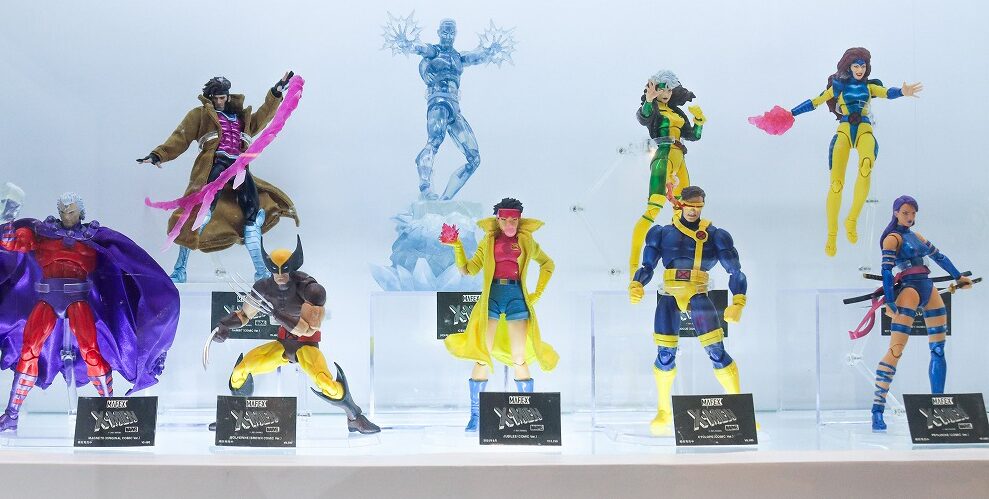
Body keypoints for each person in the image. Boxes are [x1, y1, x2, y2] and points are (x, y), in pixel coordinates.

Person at [0, 192, 179, 431]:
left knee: (91, 353)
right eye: (63, 210)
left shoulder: (93, 238)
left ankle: (110, 411)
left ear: (80, 212)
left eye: (71, 211)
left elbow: (123, 257)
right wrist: (8, 224)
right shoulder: (43, 233)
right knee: (29, 351)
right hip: (46, 298)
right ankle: (11, 414)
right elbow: (15, 243)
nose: (67, 215)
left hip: (78, 301)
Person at [210, 237, 380, 434]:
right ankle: (234, 417)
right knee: (241, 370)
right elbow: (245, 315)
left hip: (306, 346)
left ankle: (355, 417)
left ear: (293, 266)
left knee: (326, 383)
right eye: (275, 270)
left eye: (284, 269)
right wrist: (224, 325)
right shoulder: (263, 288)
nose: (280, 275)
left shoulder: (310, 288)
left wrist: (276, 314)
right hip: (282, 344)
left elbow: (307, 329)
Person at [138, 73, 299, 282]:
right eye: (217, 98)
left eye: (223, 97)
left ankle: (261, 272)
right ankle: (180, 269)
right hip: (215, 166)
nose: (220, 101)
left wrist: (276, 92)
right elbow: (180, 137)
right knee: (198, 214)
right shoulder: (201, 115)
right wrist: (158, 154)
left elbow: (263, 116)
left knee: (252, 215)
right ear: (210, 97)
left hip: (239, 168)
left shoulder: (241, 118)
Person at [628, 186, 748, 435]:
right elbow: (647, 266)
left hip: (699, 293)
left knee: (716, 351)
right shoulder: (661, 233)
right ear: (680, 204)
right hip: (668, 295)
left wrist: (738, 302)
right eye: (689, 206)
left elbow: (735, 271)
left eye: (698, 207)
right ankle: (663, 411)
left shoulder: (715, 235)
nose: (693, 211)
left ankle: (739, 410)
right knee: (665, 354)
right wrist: (637, 283)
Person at [440, 198, 555, 431]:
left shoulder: (526, 241)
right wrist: (457, 246)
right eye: (504, 220)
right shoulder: (489, 240)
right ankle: (475, 416)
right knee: (482, 355)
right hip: (492, 297)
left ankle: (528, 415)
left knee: (519, 358)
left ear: (519, 219)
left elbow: (547, 264)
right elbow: (468, 269)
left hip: (516, 297)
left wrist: (537, 293)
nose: (509, 224)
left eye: (514, 220)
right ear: (498, 220)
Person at [868, 195, 972, 431]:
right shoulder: (892, 239)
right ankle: (877, 409)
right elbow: (886, 271)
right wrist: (890, 301)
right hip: (909, 290)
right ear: (896, 212)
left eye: (913, 213)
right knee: (895, 351)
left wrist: (958, 277)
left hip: (928, 288)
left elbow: (939, 257)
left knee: (938, 349)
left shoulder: (918, 236)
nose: (910, 217)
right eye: (905, 212)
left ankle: (939, 405)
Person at [629, 70, 705, 277]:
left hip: (680, 159)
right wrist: (648, 100)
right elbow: (644, 117)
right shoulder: (653, 109)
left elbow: (693, 136)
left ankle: (682, 267)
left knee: (684, 211)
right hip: (664, 158)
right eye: (663, 89)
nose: (666, 93)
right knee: (653, 210)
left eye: (670, 90)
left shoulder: (676, 113)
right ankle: (633, 270)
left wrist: (699, 120)